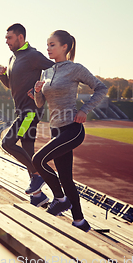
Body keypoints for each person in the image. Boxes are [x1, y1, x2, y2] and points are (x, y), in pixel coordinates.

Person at [29, 30, 108, 232]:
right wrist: (38, 92)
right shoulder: (46, 72)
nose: (48, 48)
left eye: (52, 44)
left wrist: (84, 110)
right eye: (47, 45)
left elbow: (101, 88)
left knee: (38, 160)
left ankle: (60, 199)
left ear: (65, 47)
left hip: (72, 129)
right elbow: (40, 104)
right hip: (56, 129)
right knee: (65, 178)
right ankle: (80, 221)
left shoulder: (75, 69)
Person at [0, 23, 54, 207]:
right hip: (20, 111)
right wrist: (2, 77)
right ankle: (38, 196)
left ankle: (39, 176)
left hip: (30, 112)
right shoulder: (13, 58)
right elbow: (13, 86)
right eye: (6, 38)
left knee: (7, 143)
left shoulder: (33, 56)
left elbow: (55, 71)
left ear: (20, 37)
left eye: (9, 38)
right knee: (28, 151)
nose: (6, 41)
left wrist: (41, 89)